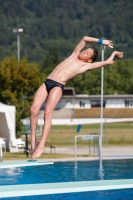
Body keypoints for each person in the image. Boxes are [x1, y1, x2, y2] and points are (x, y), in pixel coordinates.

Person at [30, 36, 123, 159]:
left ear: (89, 60)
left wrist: (114, 54)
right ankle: (33, 141)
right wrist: (101, 41)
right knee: (33, 110)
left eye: (88, 53)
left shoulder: (85, 66)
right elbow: (84, 39)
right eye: (85, 50)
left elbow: (105, 63)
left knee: (48, 113)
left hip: (57, 86)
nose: (84, 51)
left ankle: (41, 145)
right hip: (47, 82)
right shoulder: (73, 54)